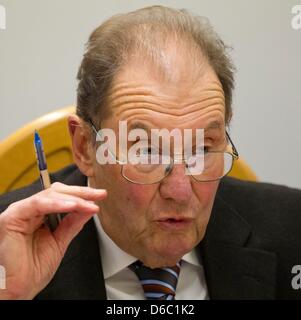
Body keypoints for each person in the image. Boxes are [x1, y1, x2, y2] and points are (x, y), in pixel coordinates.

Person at [0, 5, 300, 300]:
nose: (180, 192)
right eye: (147, 151)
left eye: (202, 149)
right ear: (85, 147)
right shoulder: (7, 252)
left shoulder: (292, 229)